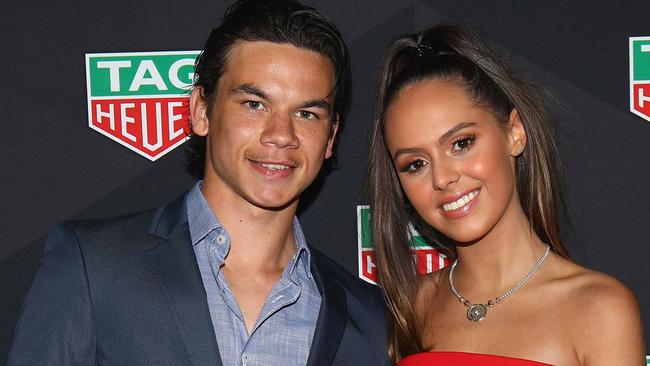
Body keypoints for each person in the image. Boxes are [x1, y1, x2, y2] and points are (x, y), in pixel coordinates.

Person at [7, 1, 388, 365]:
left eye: (306, 113)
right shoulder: (92, 266)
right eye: (254, 105)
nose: (281, 135)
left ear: (331, 137)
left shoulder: (367, 317)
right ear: (200, 110)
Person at [366, 24, 645, 365]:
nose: (443, 178)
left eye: (461, 143)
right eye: (416, 164)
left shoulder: (599, 309)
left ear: (514, 132)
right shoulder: (410, 306)